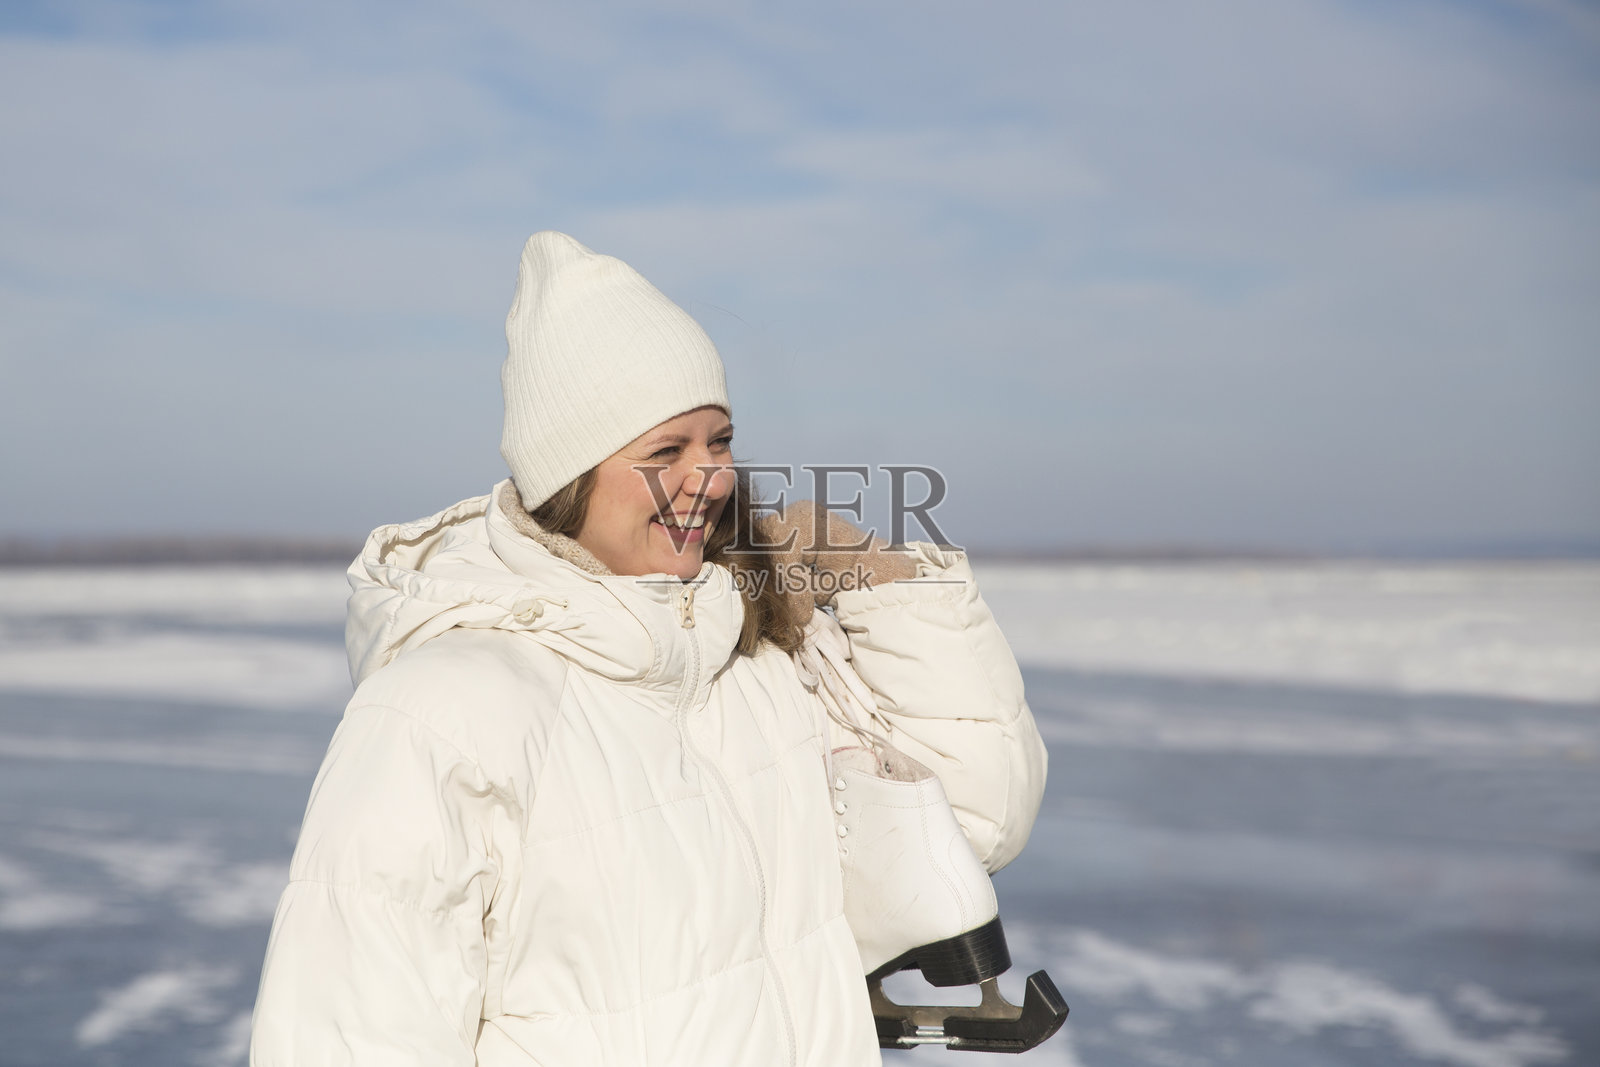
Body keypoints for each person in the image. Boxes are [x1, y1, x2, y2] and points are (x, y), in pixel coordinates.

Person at [249, 231, 1047, 1066]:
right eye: (666, 450)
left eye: (720, 441)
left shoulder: (756, 661)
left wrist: (878, 578)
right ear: (570, 476)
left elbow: (977, 817)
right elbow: (350, 1036)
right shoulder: (441, 710)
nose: (711, 477)